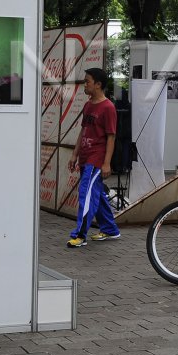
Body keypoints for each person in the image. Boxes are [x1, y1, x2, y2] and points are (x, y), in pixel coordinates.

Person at [66, 67, 122, 247]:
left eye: (87, 81)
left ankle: (80, 235)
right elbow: (83, 131)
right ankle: (110, 229)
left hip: (96, 160)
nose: (85, 84)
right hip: (84, 157)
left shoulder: (108, 108)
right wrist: (74, 154)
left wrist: (106, 163)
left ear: (98, 85)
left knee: (86, 194)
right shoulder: (88, 105)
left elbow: (111, 137)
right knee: (95, 194)